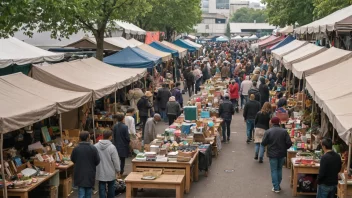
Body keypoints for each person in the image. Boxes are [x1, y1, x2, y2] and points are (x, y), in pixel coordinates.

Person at [261, 117, 292, 193]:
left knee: (274, 170)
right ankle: (278, 185)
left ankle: (276, 187)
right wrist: (285, 147)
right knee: (279, 169)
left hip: (272, 153)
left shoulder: (268, 131)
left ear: (271, 122)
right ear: (279, 122)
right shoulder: (284, 131)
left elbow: (263, 143)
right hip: (282, 153)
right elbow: (289, 143)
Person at [71, 131, 100, 198]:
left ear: (80, 138)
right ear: (88, 138)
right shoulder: (93, 148)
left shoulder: (76, 149)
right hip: (90, 173)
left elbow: (73, 159)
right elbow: (97, 161)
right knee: (88, 193)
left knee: (81, 193)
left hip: (79, 172)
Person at [94, 130, 120, 198]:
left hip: (100, 170)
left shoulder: (95, 146)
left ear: (103, 136)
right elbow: (115, 160)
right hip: (110, 170)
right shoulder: (112, 147)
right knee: (111, 186)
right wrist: (118, 170)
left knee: (101, 186)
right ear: (110, 137)